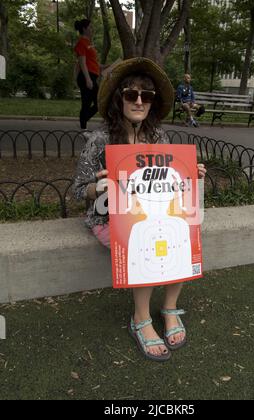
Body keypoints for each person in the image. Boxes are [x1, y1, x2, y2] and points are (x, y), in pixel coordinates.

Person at [74, 58, 207, 362]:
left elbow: (172, 180)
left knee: (186, 231)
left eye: (146, 96)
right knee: (146, 241)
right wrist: (101, 187)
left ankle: (170, 308)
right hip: (112, 216)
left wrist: (190, 174)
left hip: (156, 211)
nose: (138, 101)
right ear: (118, 98)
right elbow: (79, 189)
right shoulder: (99, 140)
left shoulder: (159, 137)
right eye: (130, 94)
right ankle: (141, 318)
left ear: (152, 103)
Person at [74, 19, 101, 130]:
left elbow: (93, 62)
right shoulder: (81, 43)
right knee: (87, 103)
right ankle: (83, 128)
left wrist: (106, 66)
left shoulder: (89, 43)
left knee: (99, 102)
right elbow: (82, 62)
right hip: (86, 76)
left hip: (92, 76)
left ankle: (83, 120)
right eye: (90, 27)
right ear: (84, 29)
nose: (92, 29)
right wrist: (88, 79)